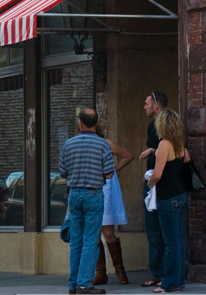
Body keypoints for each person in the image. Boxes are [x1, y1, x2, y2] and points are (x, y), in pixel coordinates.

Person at [59, 108, 115, 294]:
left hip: (74, 194)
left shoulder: (68, 144)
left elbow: (62, 172)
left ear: (80, 123)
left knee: (76, 241)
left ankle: (73, 284)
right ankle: (84, 284)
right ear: (96, 123)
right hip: (93, 194)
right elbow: (109, 174)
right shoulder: (103, 145)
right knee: (91, 241)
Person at [145, 109, 191, 293]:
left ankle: (169, 282)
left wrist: (148, 181)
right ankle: (178, 280)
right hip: (181, 195)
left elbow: (157, 174)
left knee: (170, 243)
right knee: (178, 241)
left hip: (168, 198)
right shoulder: (180, 144)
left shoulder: (164, 144)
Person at [93, 128, 133, 285]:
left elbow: (127, 156)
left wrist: (114, 170)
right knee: (94, 232)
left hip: (106, 188)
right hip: (91, 187)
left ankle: (119, 270)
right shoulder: (84, 144)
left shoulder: (106, 143)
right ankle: (100, 272)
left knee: (108, 232)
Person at [139, 91, 168, 288]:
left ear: (156, 106)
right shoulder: (152, 126)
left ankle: (168, 273)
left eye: (147, 103)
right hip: (152, 181)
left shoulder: (169, 126)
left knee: (166, 230)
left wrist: (154, 150)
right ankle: (157, 273)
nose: (145, 107)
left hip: (164, 183)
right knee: (152, 229)